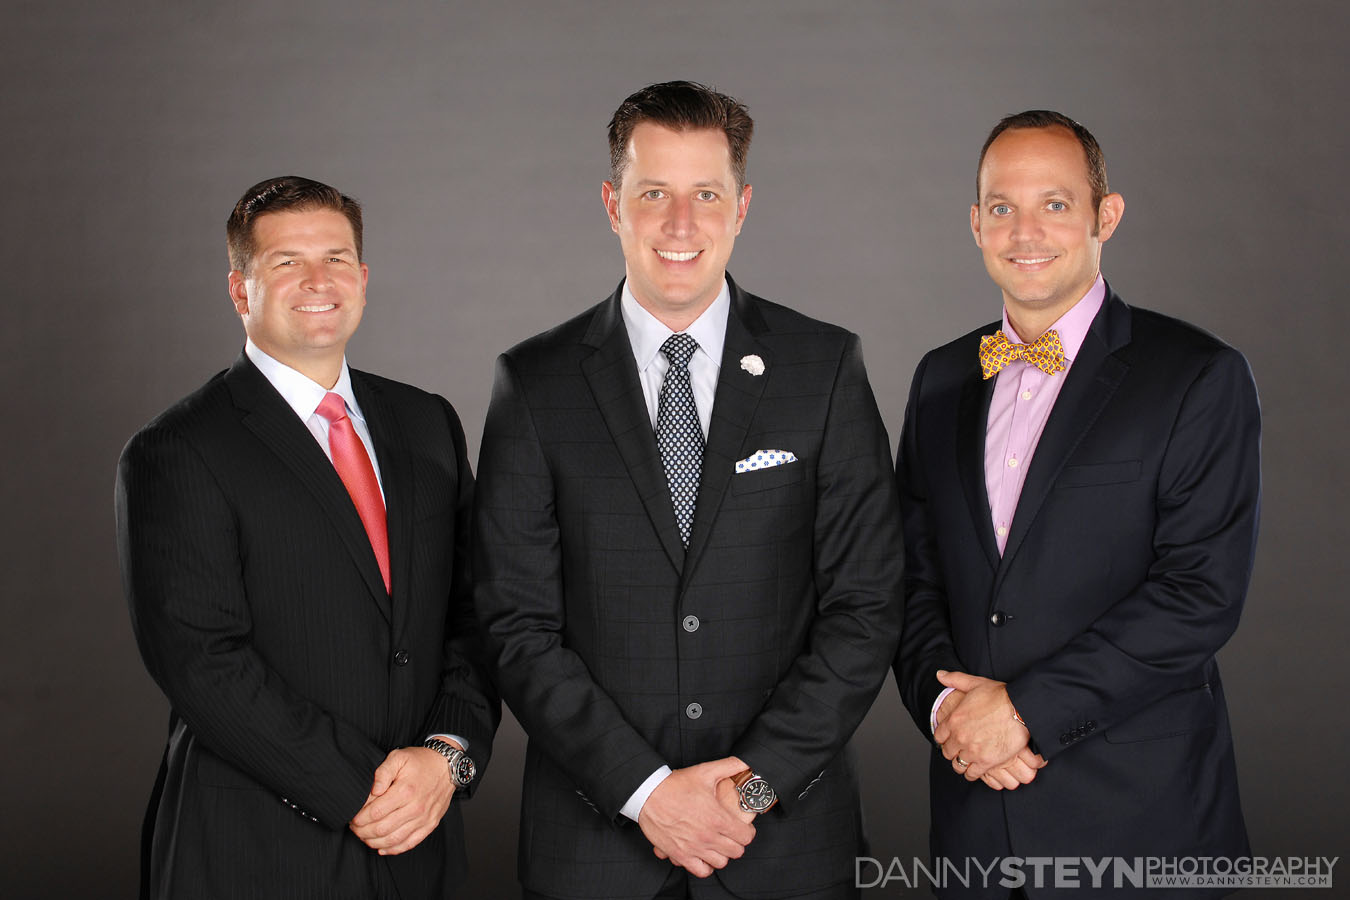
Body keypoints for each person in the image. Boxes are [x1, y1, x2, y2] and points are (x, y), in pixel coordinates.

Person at [473, 81, 902, 900]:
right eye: (653, 194)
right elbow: (516, 625)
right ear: (612, 204)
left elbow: (867, 603)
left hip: (782, 846)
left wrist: (749, 787)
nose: (681, 224)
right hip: (594, 853)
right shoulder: (534, 383)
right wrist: (649, 794)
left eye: (706, 193)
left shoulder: (824, 369)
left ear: (741, 206)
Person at [894, 111, 1259, 898]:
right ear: (975, 223)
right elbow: (912, 580)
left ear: (1106, 215)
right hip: (975, 825)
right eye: (1002, 207)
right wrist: (945, 713)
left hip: (1142, 821)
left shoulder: (1197, 376)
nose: (1025, 230)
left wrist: (1023, 712)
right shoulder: (940, 379)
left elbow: (1200, 595)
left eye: (1055, 204)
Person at [116, 176, 499, 899]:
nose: (318, 280)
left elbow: (475, 614)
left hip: (420, 835)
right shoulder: (178, 449)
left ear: (362, 278)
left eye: (336, 258)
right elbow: (203, 661)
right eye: (286, 262)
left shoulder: (427, 423)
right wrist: (361, 791)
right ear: (240, 290)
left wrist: (445, 757)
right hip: (255, 844)